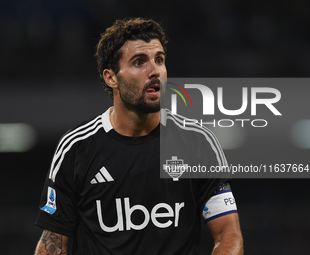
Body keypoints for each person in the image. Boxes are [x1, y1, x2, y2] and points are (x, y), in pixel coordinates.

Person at [34, 17, 244, 255]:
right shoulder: (76, 148)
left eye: (160, 60)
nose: (155, 71)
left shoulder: (197, 142)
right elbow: (53, 244)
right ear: (111, 77)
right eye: (139, 62)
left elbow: (228, 234)